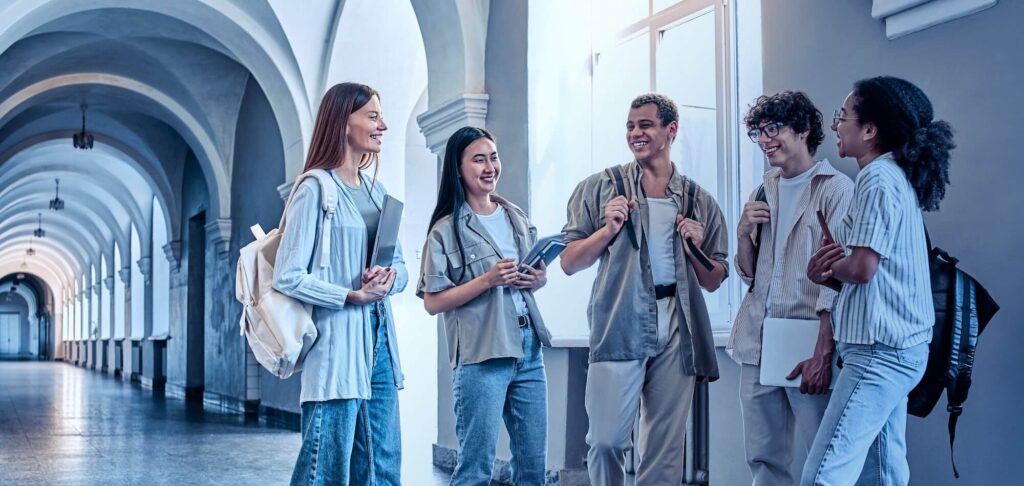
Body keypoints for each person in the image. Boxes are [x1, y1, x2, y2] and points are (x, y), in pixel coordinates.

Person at [560, 93, 729, 485]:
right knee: (605, 441)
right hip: (619, 323)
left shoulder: (698, 200)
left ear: (671, 130)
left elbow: (714, 279)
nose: (635, 133)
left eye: (646, 125)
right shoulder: (600, 188)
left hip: (678, 327)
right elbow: (569, 262)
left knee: (664, 452)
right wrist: (607, 230)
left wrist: (695, 248)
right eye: (630, 126)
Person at [802, 76, 954, 485]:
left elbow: (862, 268)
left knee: (823, 474)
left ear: (869, 130)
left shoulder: (876, 179)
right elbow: (874, 277)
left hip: (877, 353)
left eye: (843, 116)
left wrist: (826, 269)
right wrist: (834, 273)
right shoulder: (894, 176)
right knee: (883, 472)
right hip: (899, 348)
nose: (836, 125)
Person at [274, 82, 408, 485]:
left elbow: (401, 266)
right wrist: (350, 294)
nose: (383, 125)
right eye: (373, 116)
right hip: (336, 348)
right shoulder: (315, 189)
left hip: (380, 344)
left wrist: (387, 279)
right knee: (324, 470)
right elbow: (288, 274)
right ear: (343, 123)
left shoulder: (377, 192)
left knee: (383, 467)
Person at [728, 91, 853, 485]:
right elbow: (751, 276)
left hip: (809, 342)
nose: (765, 140)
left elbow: (838, 280)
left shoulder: (836, 189)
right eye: (758, 133)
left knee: (825, 457)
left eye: (774, 129)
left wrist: (823, 352)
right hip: (758, 341)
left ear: (803, 130)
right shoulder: (762, 190)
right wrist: (743, 233)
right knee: (763, 459)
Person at [418, 126, 553, 485]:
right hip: (481, 354)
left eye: (493, 157)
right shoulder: (444, 231)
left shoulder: (515, 216)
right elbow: (432, 302)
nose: (490, 167)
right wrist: (487, 280)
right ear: (458, 169)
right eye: (479, 160)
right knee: (475, 469)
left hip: (529, 349)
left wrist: (538, 279)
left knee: (533, 467)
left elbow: (530, 279)